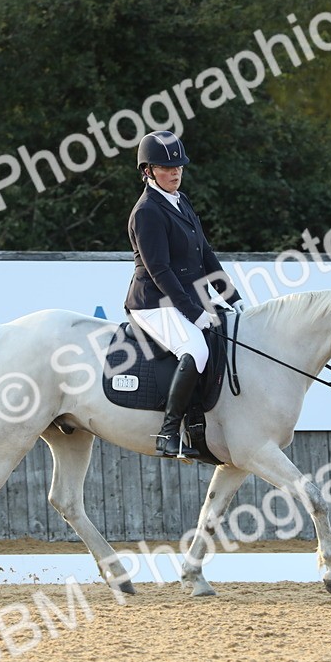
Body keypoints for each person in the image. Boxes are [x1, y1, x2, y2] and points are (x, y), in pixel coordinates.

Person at [123, 130, 245, 458]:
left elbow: (205, 254)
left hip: (183, 297)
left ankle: (202, 421)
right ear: (148, 171)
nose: (175, 172)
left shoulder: (181, 201)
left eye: (178, 166)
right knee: (196, 349)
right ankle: (168, 432)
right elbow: (160, 271)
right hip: (153, 302)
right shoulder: (147, 211)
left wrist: (232, 297)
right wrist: (194, 312)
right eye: (166, 167)